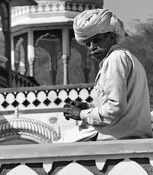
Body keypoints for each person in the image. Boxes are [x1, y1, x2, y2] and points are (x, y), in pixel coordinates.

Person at [63, 8, 152, 140]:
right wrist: (89, 107)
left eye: (97, 40)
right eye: (88, 44)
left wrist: (82, 114)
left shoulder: (115, 58)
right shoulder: (122, 57)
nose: (92, 47)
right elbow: (119, 106)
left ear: (111, 37)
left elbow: (115, 108)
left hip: (117, 137)